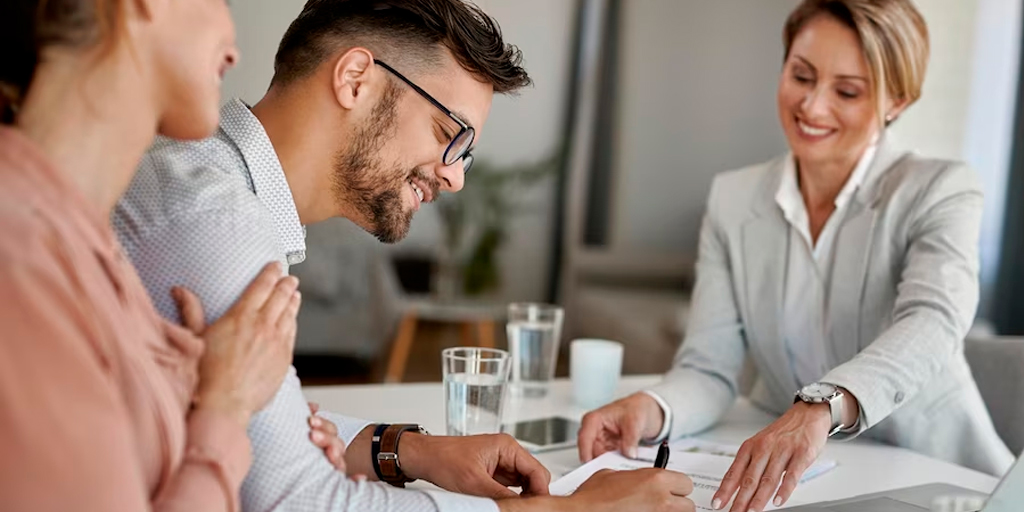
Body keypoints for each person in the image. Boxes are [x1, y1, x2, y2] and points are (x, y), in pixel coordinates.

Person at [113, 0, 696, 511]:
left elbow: (267, 422)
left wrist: (411, 449)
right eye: (449, 133)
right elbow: (296, 499)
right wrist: (571, 511)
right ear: (356, 80)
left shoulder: (213, 183)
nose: (455, 177)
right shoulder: (221, 223)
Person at [577, 1, 1015, 512]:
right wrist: (651, 407)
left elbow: (933, 321)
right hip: (803, 485)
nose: (812, 106)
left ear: (897, 100)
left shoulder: (940, 189)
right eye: (801, 76)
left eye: (847, 91)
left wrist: (821, 406)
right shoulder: (733, 199)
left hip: (940, 480)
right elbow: (709, 368)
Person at [0, 0, 301, 510]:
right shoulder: (22, 260)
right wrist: (227, 409)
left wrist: (188, 384)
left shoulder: (86, 246)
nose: (234, 48)